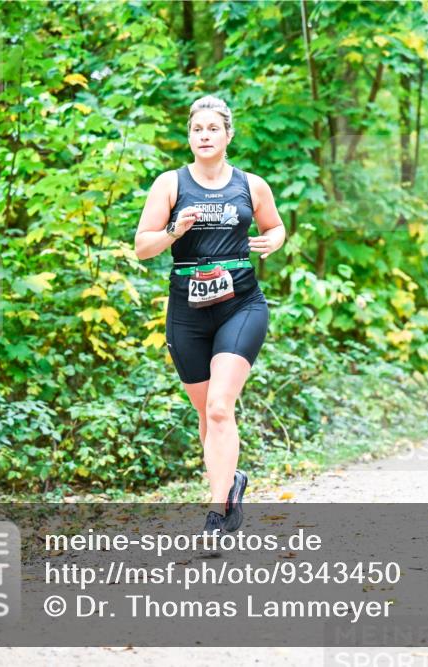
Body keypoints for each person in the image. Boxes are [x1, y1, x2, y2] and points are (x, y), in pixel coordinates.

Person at [133, 96, 286, 532]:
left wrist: (273, 240)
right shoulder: (170, 184)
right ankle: (230, 480)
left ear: (227, 135)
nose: (204, 135)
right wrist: (173, 230)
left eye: (212, 128)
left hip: (241, 303)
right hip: (187, 310)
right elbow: (143, 247)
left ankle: (217, 512)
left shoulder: (251, 185)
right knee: (206, 415)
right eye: (197, 129)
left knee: (220, 407)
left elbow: (274, 226)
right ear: (189, 136)